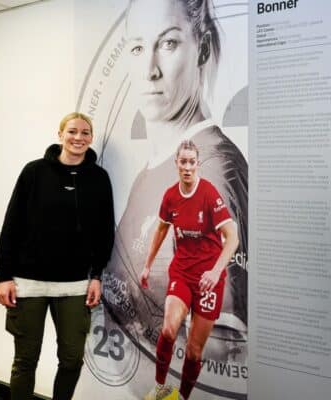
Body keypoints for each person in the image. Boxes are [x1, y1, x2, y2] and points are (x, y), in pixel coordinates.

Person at [102, 0, 248, 376]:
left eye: (167, 44)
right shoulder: (152, 172)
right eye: (137, 48)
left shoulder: (214, 172)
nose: (149, 70)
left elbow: (220, 354)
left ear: (200, 48)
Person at [0, 112, 115, 400]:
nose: (78, 138)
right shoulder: (34, 172)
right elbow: (12, 224)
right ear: (60, 134)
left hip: (74, 284)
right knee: (26, 360)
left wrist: (97, 275)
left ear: (91, 138)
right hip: (28, 281)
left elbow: (104, 230)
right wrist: (4, 276)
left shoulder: (98, 178)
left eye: (85, 133)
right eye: (72, 131)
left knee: (72, 359)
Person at [140, 140, 239, 400]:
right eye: (182, 162)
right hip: (182, 274)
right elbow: (161, 230)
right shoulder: (171, 196)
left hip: (209, 281)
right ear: (176, 164)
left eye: (191, 162)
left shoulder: (208, 193)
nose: (187, 167)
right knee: (169, 330)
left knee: (195, 350)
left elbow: (233, 237)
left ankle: (183, 396)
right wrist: (148, 265)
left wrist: (216, 271)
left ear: (197, 164)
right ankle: (160, 387)